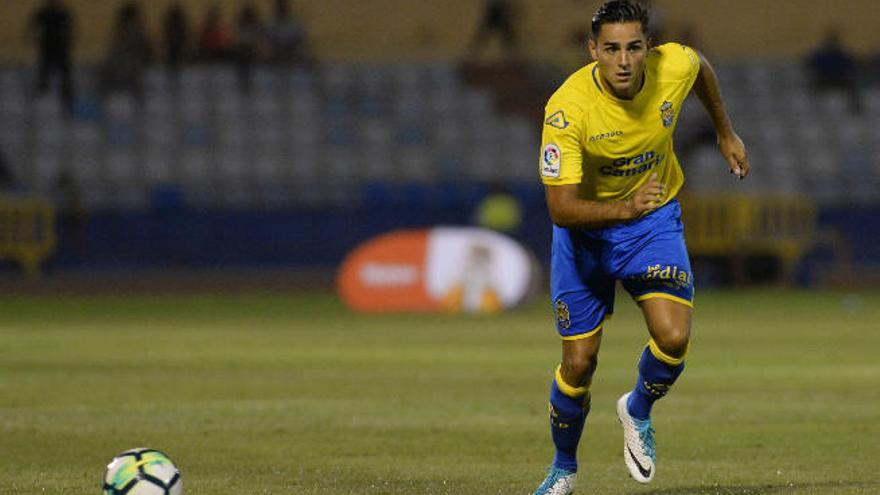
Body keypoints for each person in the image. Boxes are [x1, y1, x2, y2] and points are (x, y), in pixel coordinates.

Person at [531, 2, 749, 494]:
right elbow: (561, 208)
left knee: (673, 338)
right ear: (594, 51)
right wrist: (625, 207)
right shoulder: (567, 110)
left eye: (633, 47)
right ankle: (563, 469)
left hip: (651, 223)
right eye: (611, 49)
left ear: (648, 48)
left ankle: (636, 409)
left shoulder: (673, 65)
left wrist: (724, 130)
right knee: (579, 363)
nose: (624, 61)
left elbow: (700, 68)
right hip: (584, 235)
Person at [28, 0, 75, 114]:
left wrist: (68, 41)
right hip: (47, 48)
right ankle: (42, 94)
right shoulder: (44, 12)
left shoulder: (64, 13)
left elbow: (71, 31)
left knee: (65, 75)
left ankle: (68, 99)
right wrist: (36, 38)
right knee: (44, 72)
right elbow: (32, 26)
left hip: (61, 49)